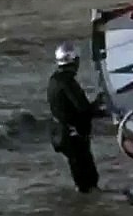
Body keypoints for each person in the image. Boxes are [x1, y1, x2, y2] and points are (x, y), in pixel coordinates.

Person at [46, 42, 107, 193]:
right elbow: (83, 108)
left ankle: (82, 203)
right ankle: (88, 204)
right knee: (88, 179)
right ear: (74, 61)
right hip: (72, 135)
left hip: (61, 133)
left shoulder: (55, 79)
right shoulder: (67, 82)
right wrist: (100, 106)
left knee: (81, 176)